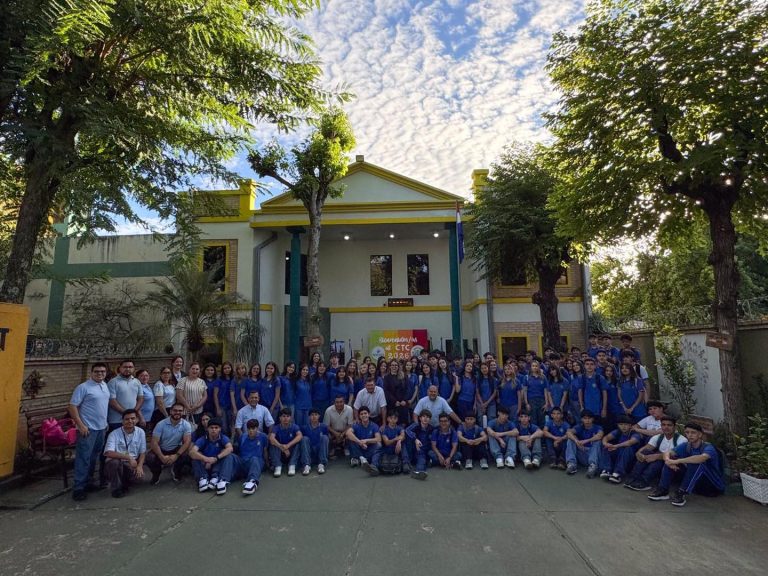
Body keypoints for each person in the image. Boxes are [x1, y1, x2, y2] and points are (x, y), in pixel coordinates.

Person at [647, 422, 725, 506]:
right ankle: (663, 490)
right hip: (695, 483)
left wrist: (677, 461)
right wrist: (668, 461)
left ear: (700, 435)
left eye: (693, 433)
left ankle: (682, 492)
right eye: (687, 433)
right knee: (672, 458)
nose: (690, 435)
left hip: (711, 485)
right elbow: (668, 453)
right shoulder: (686, 446)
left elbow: (701, 458)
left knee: (697, 462)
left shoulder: (708, 447)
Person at [68, 363, 111, 501]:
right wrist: (80, 425)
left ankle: (89, 482)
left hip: (101, 428)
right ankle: (79, 488)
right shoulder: (83, 387)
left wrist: (105, 424)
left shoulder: (105, 386)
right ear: (91, 373)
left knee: (94, 457)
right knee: (83, 458)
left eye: (103, 371)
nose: (100, 373)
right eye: (97, 371)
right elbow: (72, 406)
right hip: (88, 429)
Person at [625, 415, 686, 491]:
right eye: (663, 425)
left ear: (675, 427)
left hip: (676, 467)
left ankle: (644, 481)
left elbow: (675, 455)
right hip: (663, 464)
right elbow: (647, 447)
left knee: (659, 460)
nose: (666, 427)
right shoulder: (658, 437)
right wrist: (639, 453)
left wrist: (655, 456)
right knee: (645, 452)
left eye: (669, 425)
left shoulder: (681, 440)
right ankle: (634, 477)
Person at [103, 409, 146, 498]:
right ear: (122, 421)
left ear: (137, 419)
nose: (130, 421)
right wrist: (128, 457)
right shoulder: (114, 434)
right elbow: (108, 452)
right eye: (127, 419)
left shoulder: (140, 432)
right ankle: (116, 489)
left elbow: (142, 452)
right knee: (113, 463)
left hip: (132, 464)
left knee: (140, 479)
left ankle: (124, 482)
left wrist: (140, 466)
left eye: (132, 418)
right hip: (119, 462)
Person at [146, 402, 193, 485]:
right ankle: (156, 474)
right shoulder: (161, 424)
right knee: (150, 457)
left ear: (183, 412)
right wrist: (162, 457)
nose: (177, 413)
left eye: (180, 411)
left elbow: (187, 442)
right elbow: (154, 442)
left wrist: (176, 455)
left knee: (186, 454)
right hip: (161, 449)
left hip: (175, 449)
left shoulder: (186, 425)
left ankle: (176, 470)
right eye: (175, 410)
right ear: (170, 411)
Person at [189, 417, 236, 494]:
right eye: (211, 428)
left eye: (216, 428)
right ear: (207, 429)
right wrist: (206, 459)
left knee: (227, 454)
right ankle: (202, 479)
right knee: (195, 457)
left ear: (220, 429)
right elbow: (192, 452)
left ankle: (216, 477)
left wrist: (215, 458)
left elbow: (230, 448)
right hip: (206, 465)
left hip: (217, 464)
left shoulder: (223, 438)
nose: (214, 430)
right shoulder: (203, 439)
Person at [599, 414, 642, 484]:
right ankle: (607, 470)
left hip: (630, 459)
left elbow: (630, 442)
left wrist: (615, 446)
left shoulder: (635, 433)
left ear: (630, 425)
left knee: (628, 448)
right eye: (621, 424)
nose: (623, 427)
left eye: (626, 424)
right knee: (607, 448)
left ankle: (617, 474)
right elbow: (606, 438)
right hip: (619, 455)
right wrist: (606, 444)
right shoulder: (618, 431)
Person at [107, 359, 143, 433]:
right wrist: (127, 414)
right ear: (120, 368)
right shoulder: (113, 382)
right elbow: (112, 401)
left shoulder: (137, 381)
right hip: (116, 420)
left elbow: (140, 398)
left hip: (133, 420)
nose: (128, 369)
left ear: (134, 369)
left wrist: (134, 413)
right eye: (125, 367)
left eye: (130, 367)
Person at [565, 410, 604, 477]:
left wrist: (586, 441)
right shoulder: (579, 427)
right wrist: (576, 441)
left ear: (593, 419)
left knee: (598, 441)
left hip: (592, 454)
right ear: (582, 419)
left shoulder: (598, 427)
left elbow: (600, 435)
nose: (587, 420)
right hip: (582, 452)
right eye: (585, 418)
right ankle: (572, 465)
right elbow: (568, 432)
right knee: (570, 440)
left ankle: (593, 467)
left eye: (589, 418)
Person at [235, 419, 268, 495]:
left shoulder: (263, 437)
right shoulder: (242, 437)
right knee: (231, 457)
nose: (251, 431)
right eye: (249, 429)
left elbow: (265, 451)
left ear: (257, 428)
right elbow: (239, 450)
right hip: (244, 462)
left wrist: (267, 463)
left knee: (254, 458)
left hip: (257, 462)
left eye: (253, 429)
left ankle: (253, 481)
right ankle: (222, 480)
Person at [346, 406, 382, 475]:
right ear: (359, 416)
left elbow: (378, 438)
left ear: (369, 414)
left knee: (379, 445)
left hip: (368, 449)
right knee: (350, 439)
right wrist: (360, 442)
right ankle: (361, 458)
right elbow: (348, 433)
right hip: (359, 449)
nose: (364, 415)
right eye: (361, 414)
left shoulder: (374, 425)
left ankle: (373, 467)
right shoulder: (356, 425)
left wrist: (366, 441)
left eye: (365, 413)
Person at [269, 408, 304, 477]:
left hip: (291, 452)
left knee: (299, 443)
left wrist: (288, 446)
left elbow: (300, 435)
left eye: (287, 416)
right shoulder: (276, 427)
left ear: (290, 418)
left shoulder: (294, 426)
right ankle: (278, 466)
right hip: (280, 453)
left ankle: (292, 465)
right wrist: (281, 447)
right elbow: (271, 438)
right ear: (280, 418)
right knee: (272, 444)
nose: (286, 418)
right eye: (283, 416)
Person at [576, 358, 608, 424]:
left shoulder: (600, 378)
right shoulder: (581, 377)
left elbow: (604, 394)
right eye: (587, 364)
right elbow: (580, 392)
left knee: (598, 427)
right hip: (586, 408)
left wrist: (604, 409)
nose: (589, 366)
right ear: (584, 366)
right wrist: (581, 406)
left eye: (591, 364)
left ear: (595, 366)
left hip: (598, 409)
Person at [405, 410, 433, 480]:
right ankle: (419, 472)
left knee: (431, 456)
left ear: (430, 419)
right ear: (420, 418)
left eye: (427, 417)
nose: (425, 418)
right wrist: (415, 439)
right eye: (423, 416)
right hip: (417, 450)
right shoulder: (416, 425)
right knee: (421, 458)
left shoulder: (431, 428)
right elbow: (407, 430)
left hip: (427, 450)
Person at [300, 408, 329, 475]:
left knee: (325, 437)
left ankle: (321, 464)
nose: (314, 417)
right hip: (309, 452)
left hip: (319, 451)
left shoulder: (323, 426)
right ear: (309, 417)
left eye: (316, 415)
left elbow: (326, 442)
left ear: (319, 416)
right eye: (312, 415)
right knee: (304, 438)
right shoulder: (304, 427)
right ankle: (306, 465)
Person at [383, 359, 410, 424]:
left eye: (396, 365)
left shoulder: (404, 376)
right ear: (390, 366)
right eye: (392, 365)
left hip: (403, 404)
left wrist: (404, 400)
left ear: (398, 366)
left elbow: (407, 389)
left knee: (403, 423)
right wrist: (395, 401)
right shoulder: (386, 377)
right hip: (392, 404)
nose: (394, 367)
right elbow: (386, 391)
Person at [523, 360, 548, 429]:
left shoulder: (543, 377)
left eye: (536, 366)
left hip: (541, 400)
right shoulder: (527, 377)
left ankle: (542, 438)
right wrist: (526, 403)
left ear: (539, 367)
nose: (535, 367)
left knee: (542, 419)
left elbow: (545, 390)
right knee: (533, 419)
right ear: (530, 367)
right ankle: (535, 436)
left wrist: (546, 403)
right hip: (531, 400)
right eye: (533, 366)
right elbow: (525, 391)